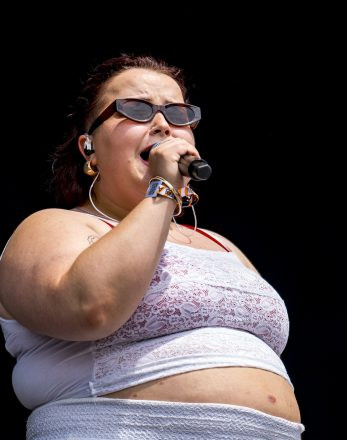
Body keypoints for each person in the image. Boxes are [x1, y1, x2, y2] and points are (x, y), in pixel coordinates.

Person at [0, 54, 305, 439]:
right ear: (89, 147)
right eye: (136, 109)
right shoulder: (53, 226)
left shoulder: (222, 245)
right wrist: (162, 191)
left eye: (178, 114)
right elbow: (91, 307)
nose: (163, 124)